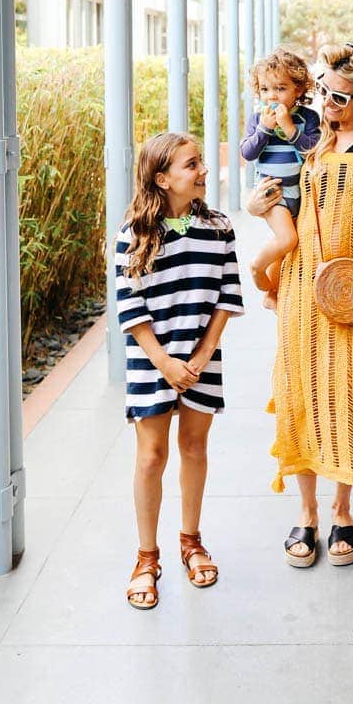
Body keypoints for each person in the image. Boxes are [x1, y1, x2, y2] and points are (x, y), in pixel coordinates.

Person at [248, 42, 353, 568]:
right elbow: (284, 195)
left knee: (349, 394)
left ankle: (343, 511)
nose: (328, 102)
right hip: (303, 281)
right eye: (322, 90)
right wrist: (258, 213)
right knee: (300, 391)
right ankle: (307, 513)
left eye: (341, 96)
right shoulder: (313, 133)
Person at [115, 132, 244, 610]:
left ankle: (191, 541)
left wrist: (203, 355)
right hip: (153, 359)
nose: (202, 171)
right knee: (151, 456)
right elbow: (128, 307)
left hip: (201, 359)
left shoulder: (219, 226)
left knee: (194, 447)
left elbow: (228, 296)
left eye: (200, 162)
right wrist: (164, 361)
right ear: (162, 178)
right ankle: (146, 557)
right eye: (192, 165)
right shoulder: (133, 233)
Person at [240, 47, 320, 308]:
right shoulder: (258, 119)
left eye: (280, 88)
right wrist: (266, 128)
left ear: (298, 89)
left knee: (289, 244)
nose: (271, 96)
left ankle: (272, 293)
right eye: (265, 89)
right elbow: (248, 152)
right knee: (287, 239)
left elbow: (312, 150)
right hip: (273, 192)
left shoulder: (308, 118)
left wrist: (288, 127)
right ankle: (257, 267)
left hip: (299, 192)